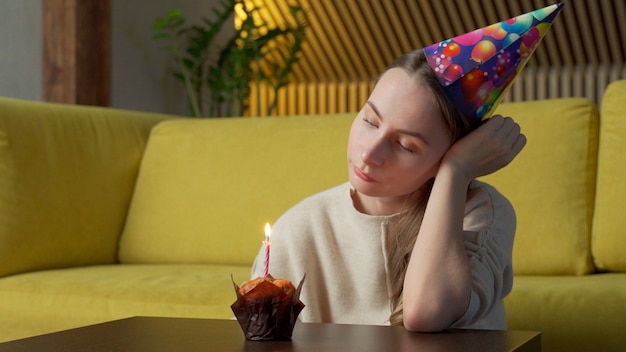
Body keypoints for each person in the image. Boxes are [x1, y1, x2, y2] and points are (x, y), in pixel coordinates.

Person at [251, 4, 562, 332]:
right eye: (370, 120)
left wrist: (455, 172)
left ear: (449, 153)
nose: (370, 153)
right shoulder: (300, 228)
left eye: (406, 146)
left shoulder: (482, 213)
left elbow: (426, 313)